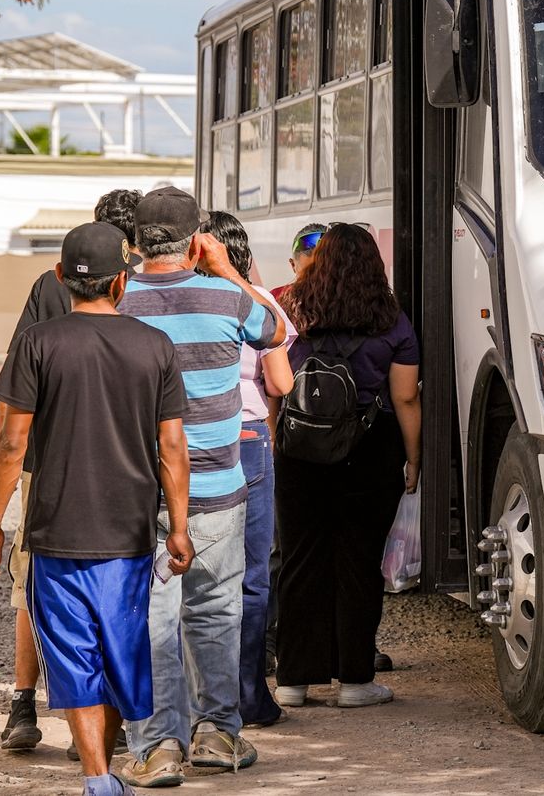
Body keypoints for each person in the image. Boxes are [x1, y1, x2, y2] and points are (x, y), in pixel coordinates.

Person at [0, 221, 194, 796]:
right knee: (122, 648)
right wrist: (180, 527)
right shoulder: (155, 345)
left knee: (72, 653)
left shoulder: (37, 343)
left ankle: (98, 778)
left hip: (54, 526)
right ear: (122, 281)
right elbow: (171, 446)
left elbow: (11, 443)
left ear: (59, 278)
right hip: (128, 530)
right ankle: (102, 771)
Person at [115, 187, 284, 788]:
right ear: (195, 240)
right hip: (218, 488)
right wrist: (227, 269)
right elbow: (276, 331)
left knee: (152, 619)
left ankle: (158, 747)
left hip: (139, 492)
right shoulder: (225, 298)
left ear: (135, 241)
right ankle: (219, 735)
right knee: (215, 611)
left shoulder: (120, 299)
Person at [0, 188, 141, 755]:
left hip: (48, 464)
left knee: (32, 581)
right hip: (128, 466)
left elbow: (14, 398)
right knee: (117, 592)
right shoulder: (139, 285)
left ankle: (22, 705)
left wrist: (11, 465)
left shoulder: (49, 285)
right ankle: (111, 725)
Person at [274, 223, 420, 708]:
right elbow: (405, 397)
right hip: (370, 445)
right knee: (359, 563)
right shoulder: (391, 318)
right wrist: (414, 460)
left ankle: (293, 681)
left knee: (300, 560)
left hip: (300, 447)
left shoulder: (293, 310)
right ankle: (355, 681)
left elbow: (276, 384)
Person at [199, 211, 295, 729]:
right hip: (249, 440)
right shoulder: (261, 305)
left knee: (191, 572)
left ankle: (198, 700)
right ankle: (249, 695)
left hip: (185, 443)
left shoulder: (176, 298)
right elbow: (280, 385)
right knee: (252, 579)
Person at [269, 222, 325, 301]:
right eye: (307, 275)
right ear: (292, 265)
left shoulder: (276, 298)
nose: (314, 283)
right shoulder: (275, 298)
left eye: (323, 271)